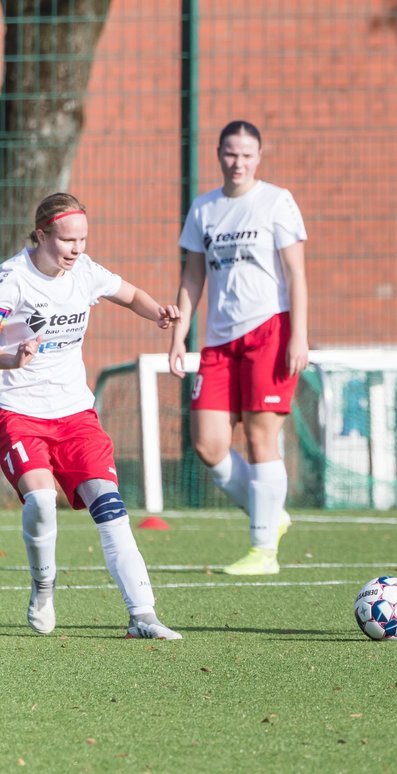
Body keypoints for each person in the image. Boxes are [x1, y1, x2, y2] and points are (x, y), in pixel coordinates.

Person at [0, 193, 183, 639]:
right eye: (67, 240)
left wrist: (157, 311)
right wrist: (10, 361)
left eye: (83, 239)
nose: (77, 249)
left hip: (75, 414)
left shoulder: (84, 272)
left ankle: (143, 616)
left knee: (110, 505)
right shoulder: (12, 279)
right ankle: (44, 587)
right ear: (42, 235)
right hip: (19, 412)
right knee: (42, 502)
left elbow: (132, 294)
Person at [167, 120, 309, 576]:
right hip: (217, 340)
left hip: (270, 331)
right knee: (208, 444)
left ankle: (263, 549)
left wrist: (299, 336)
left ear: (259, 157)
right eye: (231, 153)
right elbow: (192, 276)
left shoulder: (276, 201)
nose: (238, 162)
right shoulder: (204, 209)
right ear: (218, 154)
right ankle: (271, 513)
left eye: (247, 154)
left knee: (260, 438)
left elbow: (296, 275)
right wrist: (179, 335)